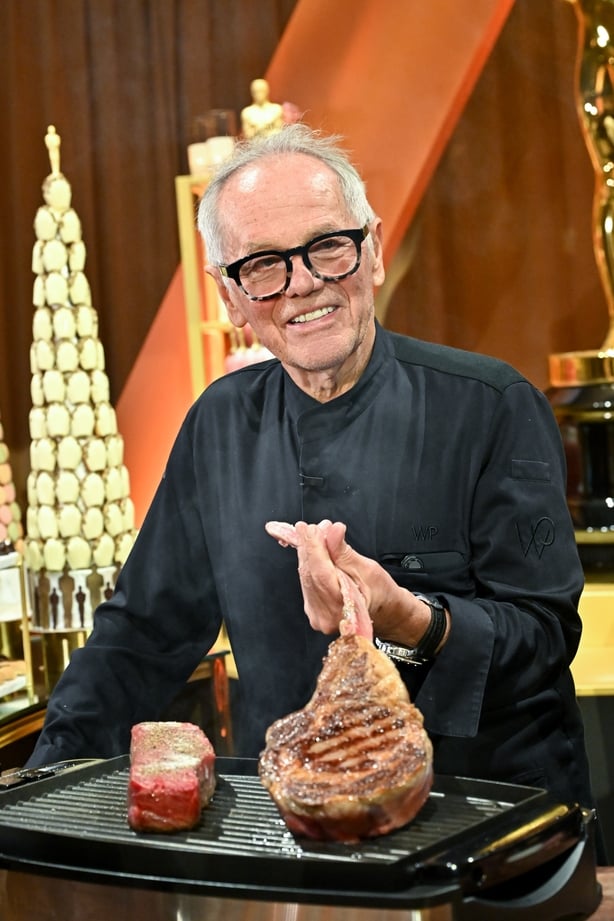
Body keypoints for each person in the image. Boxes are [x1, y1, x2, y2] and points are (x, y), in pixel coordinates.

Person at [26, 125, 596, 831]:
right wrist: (36, 790)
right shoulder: (219, 424)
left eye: (328, 245)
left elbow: (545, 633)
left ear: (374, 249)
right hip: (294, 838)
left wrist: (406, 616)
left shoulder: (491, 405)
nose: (304, 282)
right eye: (263, 264)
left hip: (491, 830)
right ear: (230, 297)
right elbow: (141, 635)